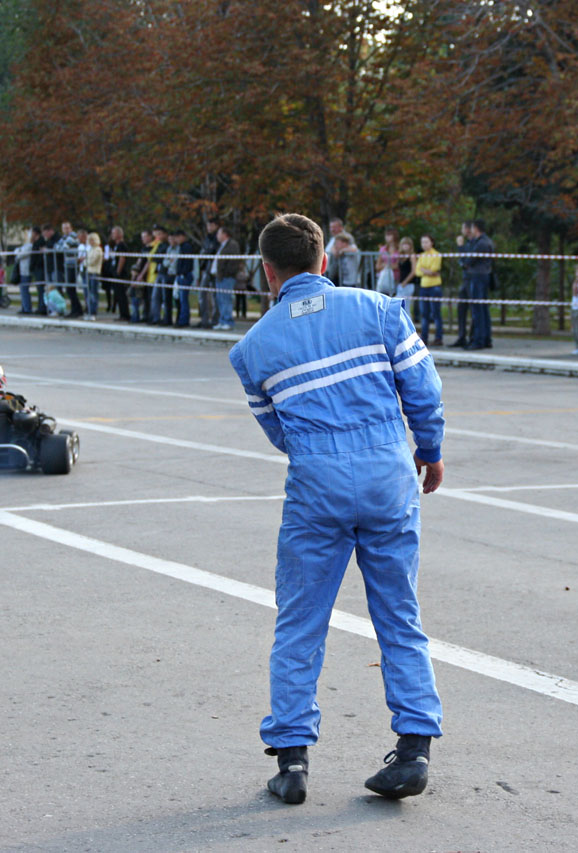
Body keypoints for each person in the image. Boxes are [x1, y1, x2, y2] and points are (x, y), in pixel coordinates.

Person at [228, 213, 445, 806]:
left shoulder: (251, 350)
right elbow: (424, 390)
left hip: (316, 489)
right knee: (399, 614)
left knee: (300, 621)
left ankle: (292, 761)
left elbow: (279, 431)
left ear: (268, 273)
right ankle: (414, 749)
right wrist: (429, 451)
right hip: (388, 479)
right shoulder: (380, 310)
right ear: (324, 261)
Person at [463, 219, 494, 350]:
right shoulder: (487, 241)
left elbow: (469, 260)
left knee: (477, 310)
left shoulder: (481, 243)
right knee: (483, 309)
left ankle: (479, 340)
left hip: (477, 277)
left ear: (476, 228)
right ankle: (486, 339)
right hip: (484, 276)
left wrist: (464, 262)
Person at [212, 226, 242, 329]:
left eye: (219, 233)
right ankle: (222, 320)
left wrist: (227, 273)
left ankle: (228, 321)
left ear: (225, 234)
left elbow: (233, 261)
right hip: (220, 277)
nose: (217, 236)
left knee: (226, 299)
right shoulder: (222, 245)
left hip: (227, 277)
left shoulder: (232, 245)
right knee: (220, 299)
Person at [416, 234, 443, 344]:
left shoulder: (436, 255)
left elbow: (434, 269)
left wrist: (425, 270)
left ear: (432, 243)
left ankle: (438, 338)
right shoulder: (422, 255)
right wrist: (428, 272)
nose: (424, 244)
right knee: (424, 314)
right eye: (422, 242)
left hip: (434, 286)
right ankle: (424, 337)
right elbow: (417, 272)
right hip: (424, 286)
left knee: (436, 313)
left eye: (426, 242)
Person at [171, 229, 197, 328]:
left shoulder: (186, 247)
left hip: (185, 276)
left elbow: (187, 263)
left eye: (177, 237)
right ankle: (181, 319)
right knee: (181, 299)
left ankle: (184, 320)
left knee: (183, 299)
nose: (176, 240)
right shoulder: (181, 247)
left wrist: (182, 273)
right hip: (181, 275)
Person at [84, 232, 103, 321]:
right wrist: (86, 262)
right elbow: (86, 260)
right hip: (88, 271)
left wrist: (86, 262)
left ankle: (93, 312)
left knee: (93, 293)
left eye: (92, 240)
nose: (91, 242)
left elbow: (92, 261)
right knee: (88, 293)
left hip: (95, 272)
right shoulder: (90, 249)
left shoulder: (98, 249)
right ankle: (89, 311)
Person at [396, 236, 417, 312]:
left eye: (407, 244)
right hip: (401, 284)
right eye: (404, 244)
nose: (405, 246)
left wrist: (405, 282)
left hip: (408, 284)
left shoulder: (412, 256)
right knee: (400, 306)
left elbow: (414, 271)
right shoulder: (401, 256)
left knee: (406, 307)